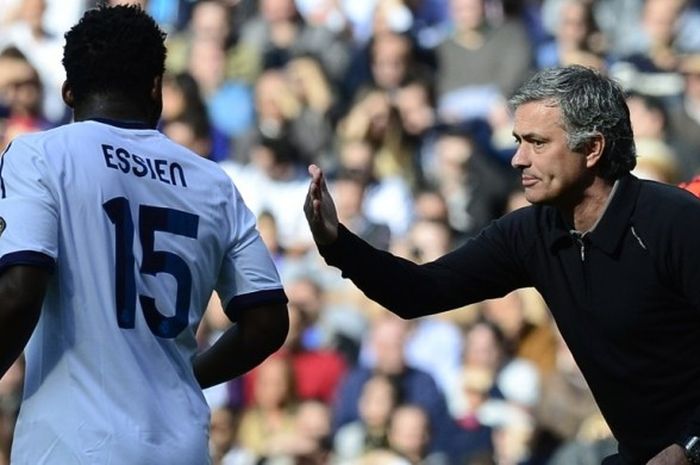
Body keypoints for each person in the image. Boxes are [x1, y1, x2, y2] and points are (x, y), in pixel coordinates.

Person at [304, 64, 700, 465]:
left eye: (537, 142)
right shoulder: (531, 232)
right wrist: (337, 242)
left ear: (592, 148)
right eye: (517, 141)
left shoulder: (676, 222)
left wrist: (690, 446)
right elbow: (419, 292)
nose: (517, 159)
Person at [0, 5, 289, 464]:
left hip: (72, 447)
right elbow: (268, 322)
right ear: (156, 88)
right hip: (179, 447)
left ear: (69, 89)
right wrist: (187, 377)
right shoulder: (212, 182)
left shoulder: (39, 156)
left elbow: (18, 293)